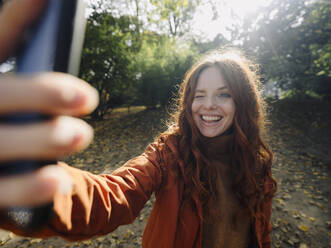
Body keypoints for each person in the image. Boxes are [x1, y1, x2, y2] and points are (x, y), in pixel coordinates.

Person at [0, 0, 277, 247]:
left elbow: (260, 231)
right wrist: (44, 189)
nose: (208, 105)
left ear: (242, 102)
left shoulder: (256, 161)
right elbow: (112, 195)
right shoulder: (169, 153)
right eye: (199, 95)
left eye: (223, 95)